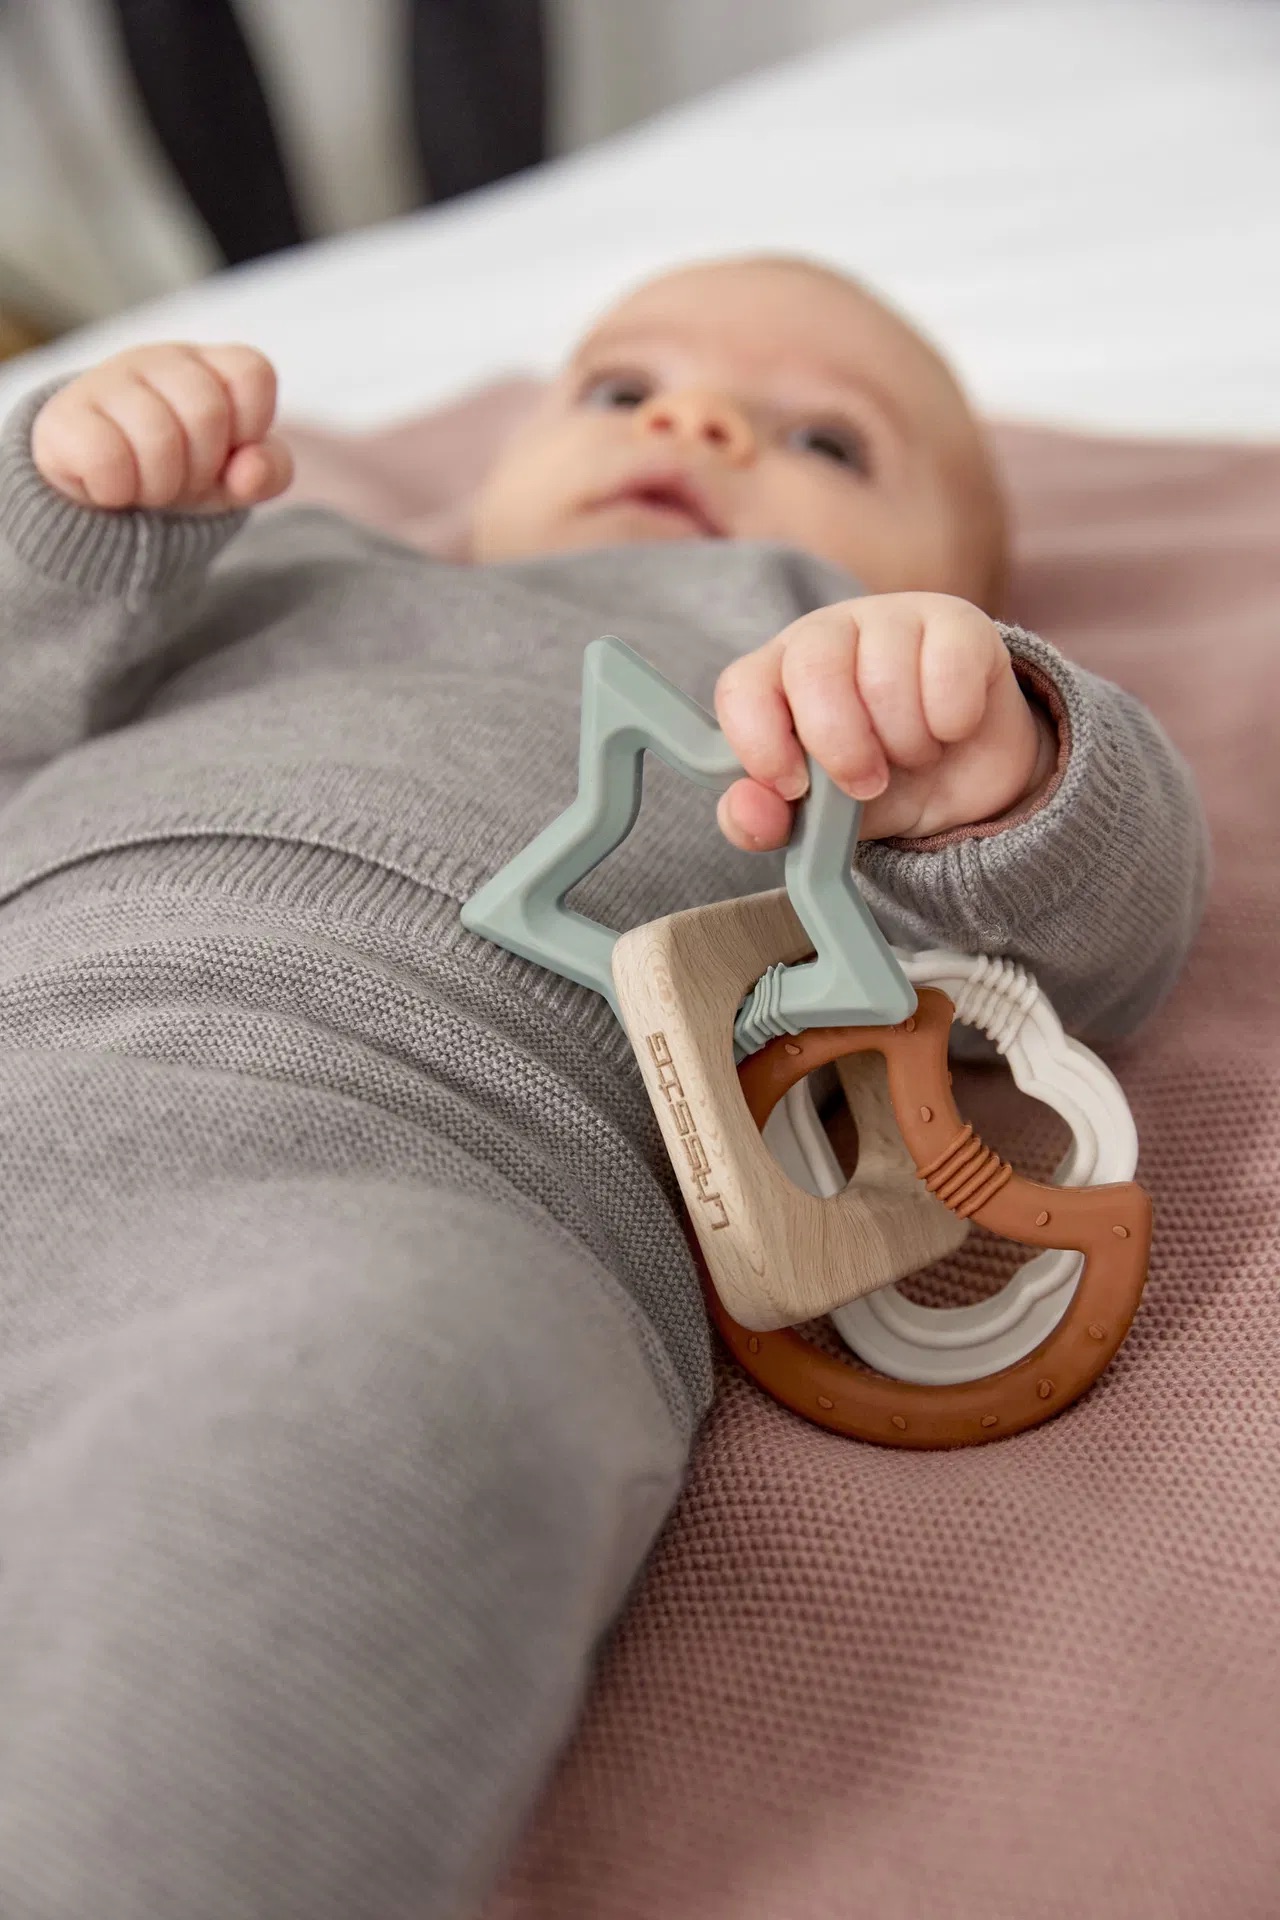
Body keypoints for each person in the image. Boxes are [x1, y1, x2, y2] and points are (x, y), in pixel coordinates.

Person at [0, 257, 1207, 1920]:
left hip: (427, 1154)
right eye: (620, 387)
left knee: (374, 1407)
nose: (693, 419)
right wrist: (74, 519)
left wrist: (1009, 751)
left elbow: (1115, 944)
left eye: (828, 443)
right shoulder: (280, 562)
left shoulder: (811, 678)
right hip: (33, 1011)